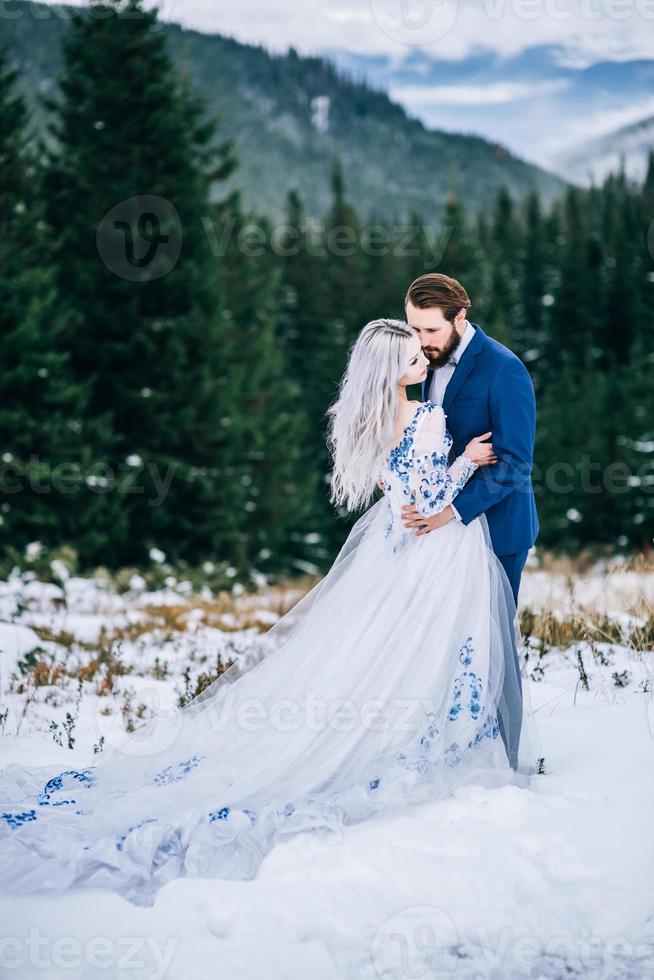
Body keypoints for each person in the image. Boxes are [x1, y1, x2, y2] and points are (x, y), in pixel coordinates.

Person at [0, 318, 543, 907]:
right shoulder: (420, 416)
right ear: (393, 371)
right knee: (438, 648)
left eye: (422, 353)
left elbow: (399, 493)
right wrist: (465, 460)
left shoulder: (369, 419)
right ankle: (445, 741)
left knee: (387, 650)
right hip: (433, 549)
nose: (424, 365)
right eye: (414, 360)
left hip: (393, 547)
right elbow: (431, 501)